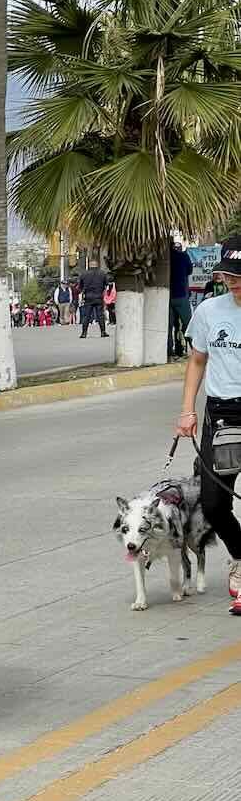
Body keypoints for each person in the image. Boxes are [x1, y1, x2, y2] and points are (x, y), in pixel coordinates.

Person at [178, 236, 241, 617]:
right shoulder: (209, 311)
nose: (234, 283)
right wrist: (187, 410)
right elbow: (197, 361)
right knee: (215, 503)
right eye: (229, 276)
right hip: (222, 416)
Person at [170, 242, 195, 361]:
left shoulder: (165, 258)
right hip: (181, 295)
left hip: (167, 297)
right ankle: (195, 350)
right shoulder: (183, 256)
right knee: (188, 325)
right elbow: (190, 271)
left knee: (171, 326)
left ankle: (172, 352)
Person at [78, 259, 109, 339]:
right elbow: (106, 284)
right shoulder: (102, 273)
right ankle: (103, 332)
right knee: (100, 315)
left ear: (89, 265)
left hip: (88, 297)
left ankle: (84, 333)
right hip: (98, 296)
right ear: (97, 264)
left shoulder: (84, 274)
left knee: (87, 316)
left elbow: (80, 287)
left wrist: (84, 291)